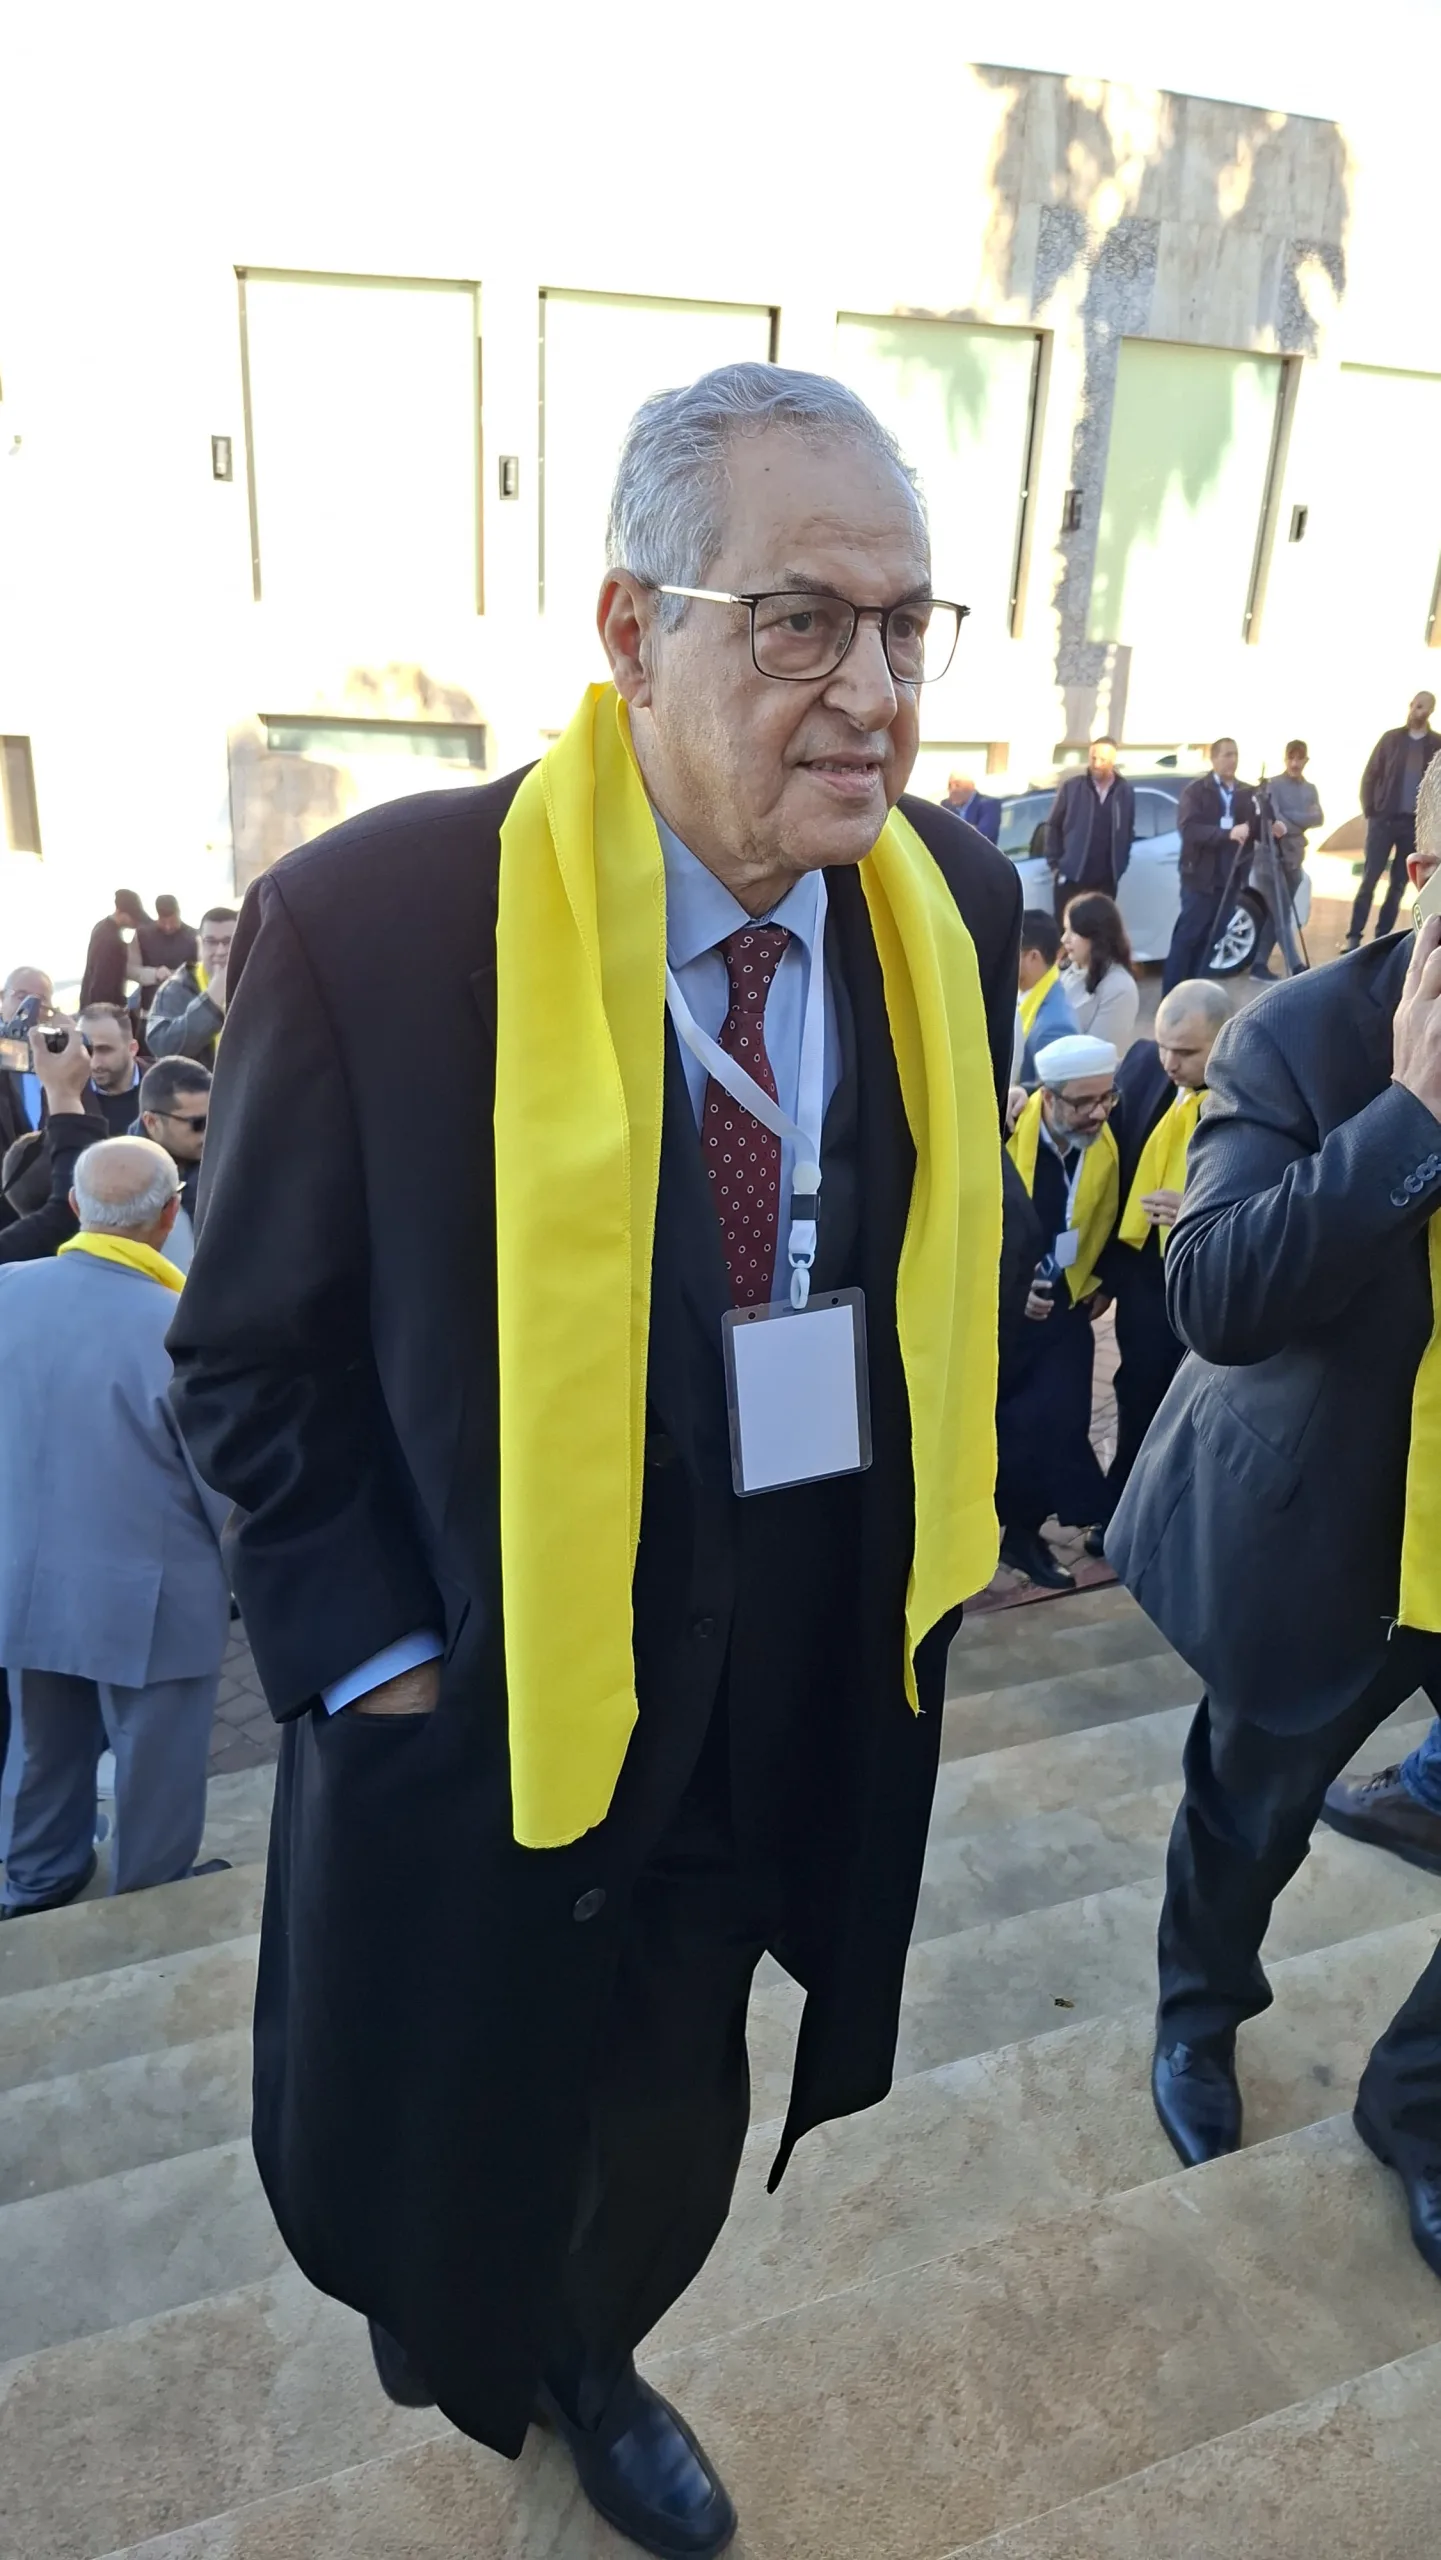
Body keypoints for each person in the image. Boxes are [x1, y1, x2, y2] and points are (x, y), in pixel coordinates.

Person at [168, 361, 1019, 2554]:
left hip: (782, 1691)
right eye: (800, 621)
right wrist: (383, 1670)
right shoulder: (376, 928)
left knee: (666, 2111)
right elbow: (249, 1367)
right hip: (490, 1709)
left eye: (905, 625)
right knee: (440, 2117)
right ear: (634, 631)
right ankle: (469, 2320)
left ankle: (593, 2350)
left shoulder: (954, 900)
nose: (872, 695)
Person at [1109, 747, 1441, 2276]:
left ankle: (1415, 2105)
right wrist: (1411, 1118)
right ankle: (1197, 2017)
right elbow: (1215, 1293)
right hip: (1333, 1538)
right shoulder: (1304, 1035)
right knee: (1248, 1818)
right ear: (1421, 880)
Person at [0, 1137, 231, 1918]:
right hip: (149, 1593)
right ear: (170, 1216)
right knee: (154, 1761)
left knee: (41, 1746)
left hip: (23, 1575)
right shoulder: (181, 1325)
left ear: (75, 1206)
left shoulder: (7, 1290)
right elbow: (221, 1483)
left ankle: (35, 1881)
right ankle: (148, 1904)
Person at [1098, 978, 1228, 1522]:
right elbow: (1112, 1159)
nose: (1170, 1063)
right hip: (1145, 1284)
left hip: (1211, 1286)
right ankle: (1122, 1508)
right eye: (1164, 1047)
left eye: (1187, 1052)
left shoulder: (1254, 1096)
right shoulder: (1141, 1066)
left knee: (1199, 1408)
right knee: (1136, 1390)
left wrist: (1197, 1209)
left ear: (1224, 1040)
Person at [996, 1033, 1118, 1592]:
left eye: (1106, 1098)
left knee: (1060, 1416)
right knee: (1009, 1427)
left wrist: (1103, 1279)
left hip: (1066, 1308)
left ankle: (1025, 1535)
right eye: (1083, 1102)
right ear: (1047, 1097)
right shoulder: (1004, 1135)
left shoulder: (1108, 1136)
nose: (1098, 1113)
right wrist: (1010, 1288)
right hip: (1003, 1317)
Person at [1161, 738, 1258, 995]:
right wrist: (1226, 833)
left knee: (1212, 940)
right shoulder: (1196, 792)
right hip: (1200, 878)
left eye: (1235, 754)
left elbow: (1254, 827)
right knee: (1188, 938)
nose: (1232, 760)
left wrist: (1271, 825)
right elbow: (1189, 829)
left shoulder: (1246, 792)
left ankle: (1194, 994)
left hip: (1230, 878)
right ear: (1213, 759)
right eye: (1227, 755)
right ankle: (1171, 997)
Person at [1345, 691, 1440, 951]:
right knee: (1369, 878)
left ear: (1430, 711)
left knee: (1398, 885)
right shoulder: (1390, 739)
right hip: (1383, 821)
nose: (1416, 710)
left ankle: (1380, 940)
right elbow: (1370, 775)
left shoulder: (1436, 744)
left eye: (1422, 707)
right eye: (1415, 705)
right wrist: (1371, 811)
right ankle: (1353, 936)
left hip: (1413, 826)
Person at [1250, 741, 1320, 980]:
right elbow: (1274, 821)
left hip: (1294, 859)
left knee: (1277, 915)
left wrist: (1289, 820)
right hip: (1269, 858)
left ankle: (1258, 965)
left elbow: (1318, 818)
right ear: (1285, 759)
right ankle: (1297, 968)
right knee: (1281, 914)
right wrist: (1299, 820)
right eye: (1291, 758)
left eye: (1300, 758)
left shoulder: (1310, 789)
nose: (1295, 763)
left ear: (1306, 760)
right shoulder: (1272, 785)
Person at [1046, 737, 1135, 921]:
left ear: (1113, 760)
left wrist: (1120, 865)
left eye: (1102, 759)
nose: (1096, 764)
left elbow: (1127, 831)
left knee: (1099, 930)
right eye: (1093, 758)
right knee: (1066, 929)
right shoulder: (1072, 788)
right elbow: (1053, 825)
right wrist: (1055, 865)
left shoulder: (1124, 791)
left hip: (1105, 880)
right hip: (1072, 876)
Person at [139, 1057, 210, 1272]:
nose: (210, 1132)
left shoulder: (232, 1160)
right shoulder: (118, 1181)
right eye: (198, 1123)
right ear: (152, 1122)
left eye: (217, 1118)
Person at [146, 907, 237, 1067]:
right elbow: (162, 1048)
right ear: (199, 944)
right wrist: (212, 1000)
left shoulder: (259, 983)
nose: (220, 951)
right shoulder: (175, 989)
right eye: (211, 942)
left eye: (229, 941)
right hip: (200, 1082)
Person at [1060, 891, 1139, 1051]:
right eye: (1065, 930)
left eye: (1073, 932)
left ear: (1096, 936)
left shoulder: (1119, 988)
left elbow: (1097, 1052)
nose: (1064, 939)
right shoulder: (1065, 972)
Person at [1015, 908, 1078, 1081]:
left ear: (1033, 957)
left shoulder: (1053, 1028)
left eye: (1009, 952)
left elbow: (1050, 1092)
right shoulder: (1026, 993)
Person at [0, 966, 56, 1151]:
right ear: (3, 998)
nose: (31, 1006)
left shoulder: (61, 1052)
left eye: (41, 999)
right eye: (21, 995)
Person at [77, 1002, 144, 1136]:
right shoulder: (65, 1092)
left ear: (132, 1049)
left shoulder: (168, 1080)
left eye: (104, 1050)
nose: (94, 1063)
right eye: (87, 1050)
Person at [79, 890, 149, 1013]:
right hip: (102, 1011)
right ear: (120, 912)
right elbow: (104, 981)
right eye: (132, 917)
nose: (135, 922)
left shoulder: (100, 928)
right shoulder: (113, 941)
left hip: (89, 1005)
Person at [132, 894, 200, 1020]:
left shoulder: (195, 937)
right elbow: (130, 969)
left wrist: (179, 976)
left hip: (182, 1014)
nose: (168, 926)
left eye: (172, 922)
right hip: (149, 1013)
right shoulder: (142, 935)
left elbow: (203, 972)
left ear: (179, 913)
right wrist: (154, 974)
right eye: (163, 922)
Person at [942, 768, 1001, 843]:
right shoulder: (946, 806)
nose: (953, 790)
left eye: (957, 785)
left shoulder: (989, 805)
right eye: (950, 785)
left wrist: (953, 830)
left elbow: (982, 836)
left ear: (971, 786)